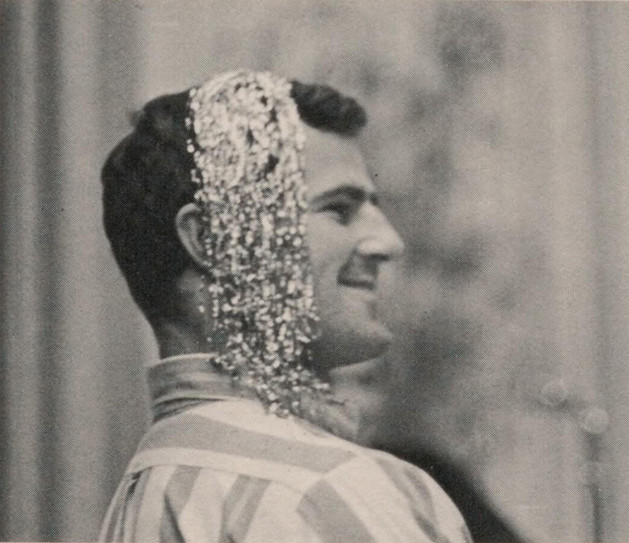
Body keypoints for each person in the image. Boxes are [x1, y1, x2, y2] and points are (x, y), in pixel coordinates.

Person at [98, 70, 472, 543]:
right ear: (212, 239)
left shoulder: (153, 485)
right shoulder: (323, 489)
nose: (388, 242)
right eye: (338, 208)